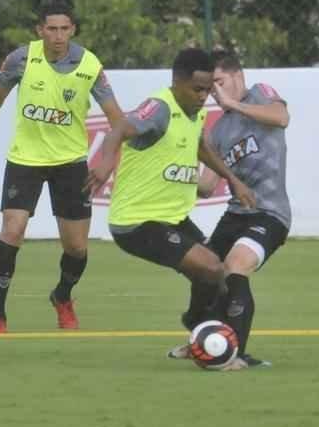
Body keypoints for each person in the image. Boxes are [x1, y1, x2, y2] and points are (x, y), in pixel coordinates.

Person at [86, 48, 257, 370]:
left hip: (172, 218)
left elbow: (200, 145)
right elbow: (120, 129)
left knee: (213, 275)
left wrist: (231, 179)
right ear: (176, 82)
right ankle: (199, 328)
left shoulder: (195, 112)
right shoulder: (160, 109)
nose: (203, 96)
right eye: (197, 89)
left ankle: (201, 336)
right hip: (138, 222)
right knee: (209, 267)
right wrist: (106, 161)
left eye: (207, 90)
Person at [0, 2, 124, 332]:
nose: (58, 35)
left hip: (71, 163)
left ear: (73, 31)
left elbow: (117, 120)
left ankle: (62, 296)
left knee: (77, 247)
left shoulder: (89, 64)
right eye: (52, 29)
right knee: (12, 230)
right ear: (40, 31)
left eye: (65, 29)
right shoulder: (21, 59)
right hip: (26, 160)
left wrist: (110, 161)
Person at [168, 50, 290, 367]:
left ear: (238, 76)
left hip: (269, 212)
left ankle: (237, 354)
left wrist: (233, 105)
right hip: (236, 214)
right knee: (204, 268)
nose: (214, 93)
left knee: (236, 265)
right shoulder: (219, 130)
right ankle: (201, 337)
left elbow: (281, 117)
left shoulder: (260, 94)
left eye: (219, 82)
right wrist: (169, 168)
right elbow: (208, 186)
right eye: (210, 86)